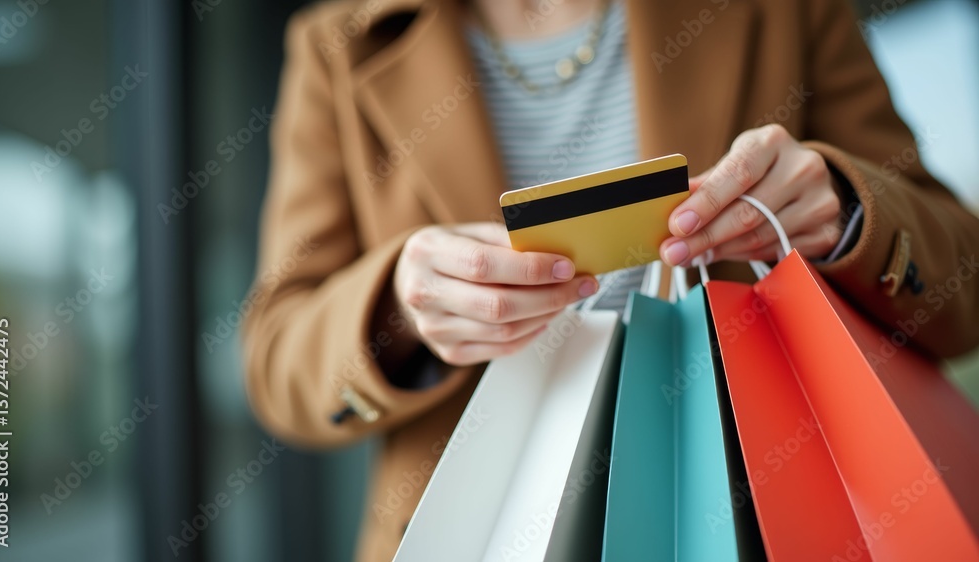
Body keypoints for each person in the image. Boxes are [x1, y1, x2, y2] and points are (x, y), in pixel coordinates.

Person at [242, 0, 979, 559]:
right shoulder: (336, 46)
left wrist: (849, 210)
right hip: (480, 529)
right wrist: (400, 308)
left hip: (760, 511)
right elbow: (277, 360)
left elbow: (963, 285)